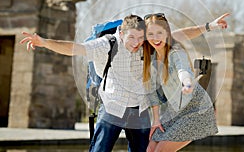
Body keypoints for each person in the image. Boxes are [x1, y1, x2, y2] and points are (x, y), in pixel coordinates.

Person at [20, 13, 229, 152]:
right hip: (115, 107)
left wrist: (210, 26)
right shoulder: (115, 44)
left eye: (141, 38)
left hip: (156, 109)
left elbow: (181, 40)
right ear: (121, 33)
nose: (137, 43)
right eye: (132, 38)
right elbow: (76, 48)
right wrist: (44, 42)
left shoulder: (157, 44)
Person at [143, 13, 224, 152]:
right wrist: (156, 120)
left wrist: (187, 83)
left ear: (167, 33)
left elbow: (183, 70)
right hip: (174, 110)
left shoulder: (175, 52)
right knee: (150, 149)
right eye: (150, 33)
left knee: (161, 150)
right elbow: (152, 92)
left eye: (159, 33)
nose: (155, 38)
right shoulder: (150, 57)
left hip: (196, 109)